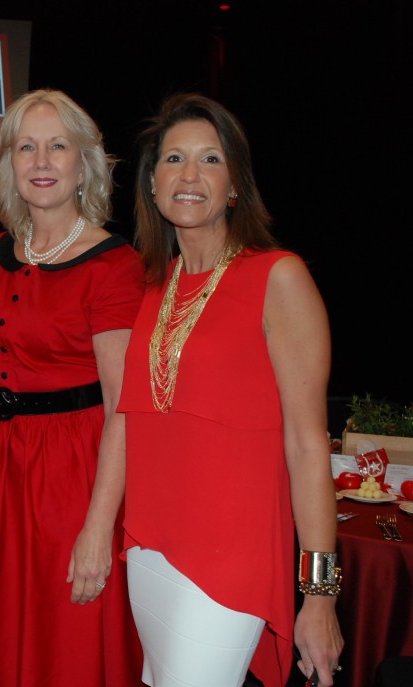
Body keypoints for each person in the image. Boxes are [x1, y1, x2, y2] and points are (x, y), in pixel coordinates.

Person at [118, 93, 343, 686]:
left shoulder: (278, 278)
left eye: (210, 160)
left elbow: (308, 446)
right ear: (152, 183)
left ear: (235, 184)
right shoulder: (152, 289)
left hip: (231, 562)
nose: (188, 176)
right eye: (172, 159)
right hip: (149, 549)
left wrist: (319, 597)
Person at [0, 89, 144, 686]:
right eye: (27, 147)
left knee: (64, 638)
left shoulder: (113, 265)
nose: (42, 161)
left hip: (69, 477)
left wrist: (98, 527)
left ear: (85, 163)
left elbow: (123, 410)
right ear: (9, 164)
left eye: (59, 147)